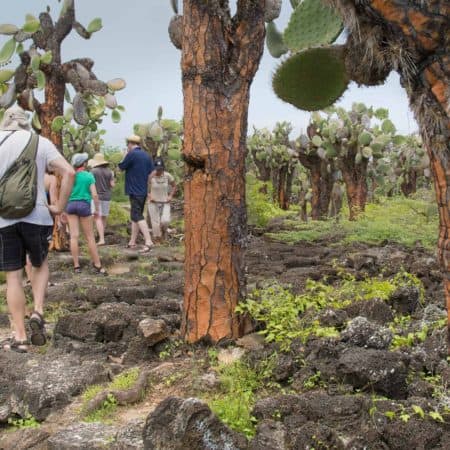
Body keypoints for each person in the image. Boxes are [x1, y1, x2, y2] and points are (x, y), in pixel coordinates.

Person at [0, 106, 75, 353]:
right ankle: (39, 311)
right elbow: (68, 171)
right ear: (25, 123)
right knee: (39, 263)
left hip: (4, 218)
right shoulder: (40, 142)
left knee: (13, 276)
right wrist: (59, 206)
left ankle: (20, 337)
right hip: (38, 215)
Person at [66, 152, 107, 275]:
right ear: (84, 164)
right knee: (90, 237)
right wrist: (97, 210)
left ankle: (76, 266)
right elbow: (94, 194)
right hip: (84, 205)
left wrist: (63, 210)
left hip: (71, 205)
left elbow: (65, 193)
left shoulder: (70, 176)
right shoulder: (89, 176)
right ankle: (98, 265)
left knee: (74, 236)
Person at [118, 134, 154, 253]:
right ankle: (132, 241)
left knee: (137, 215)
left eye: (127, 144)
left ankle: (148, 241)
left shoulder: (131, 154)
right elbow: (152, 172)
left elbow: (121, 167)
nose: (127, 146)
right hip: (142, 190)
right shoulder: (146, 155)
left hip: (134, 190)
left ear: (130, 144)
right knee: (135, 216)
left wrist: (124, 155)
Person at [88, 152, 115, 246]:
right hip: (107, 197)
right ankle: (101, 236)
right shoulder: (110, 172)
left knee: (97, 217)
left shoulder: (93, 171)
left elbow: (89, 185)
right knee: (103, 217)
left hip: (96, 197)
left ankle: (101, 239)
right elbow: (112, 185)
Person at [147, 157, 177, 242]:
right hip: (153, 202)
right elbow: (145, 188)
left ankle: (164, 231)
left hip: (165, 201)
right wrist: (149, 196)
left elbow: (174, 186)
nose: (159, 171)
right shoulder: (150, 176)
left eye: (161, 169)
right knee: (155, 223)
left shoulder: (167, 175)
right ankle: (158, 239)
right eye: (157, 169)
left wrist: (170, 196)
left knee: (165, 220)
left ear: (163, 168)